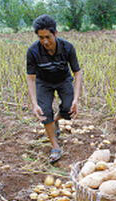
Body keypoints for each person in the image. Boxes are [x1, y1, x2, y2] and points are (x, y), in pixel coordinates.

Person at [26, 14, 82, 164]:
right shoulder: (33, 51)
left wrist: (76, 99)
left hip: (63, 79)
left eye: (48, 37)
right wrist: (34, 103)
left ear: (56, 33)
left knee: (68, 108)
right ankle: (55, 146)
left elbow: (77, 72)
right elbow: (31, 78)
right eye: (41, 37)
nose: (45, 41)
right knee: (44, 112)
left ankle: (56, 119)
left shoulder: (67, 47)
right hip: (43, 82)